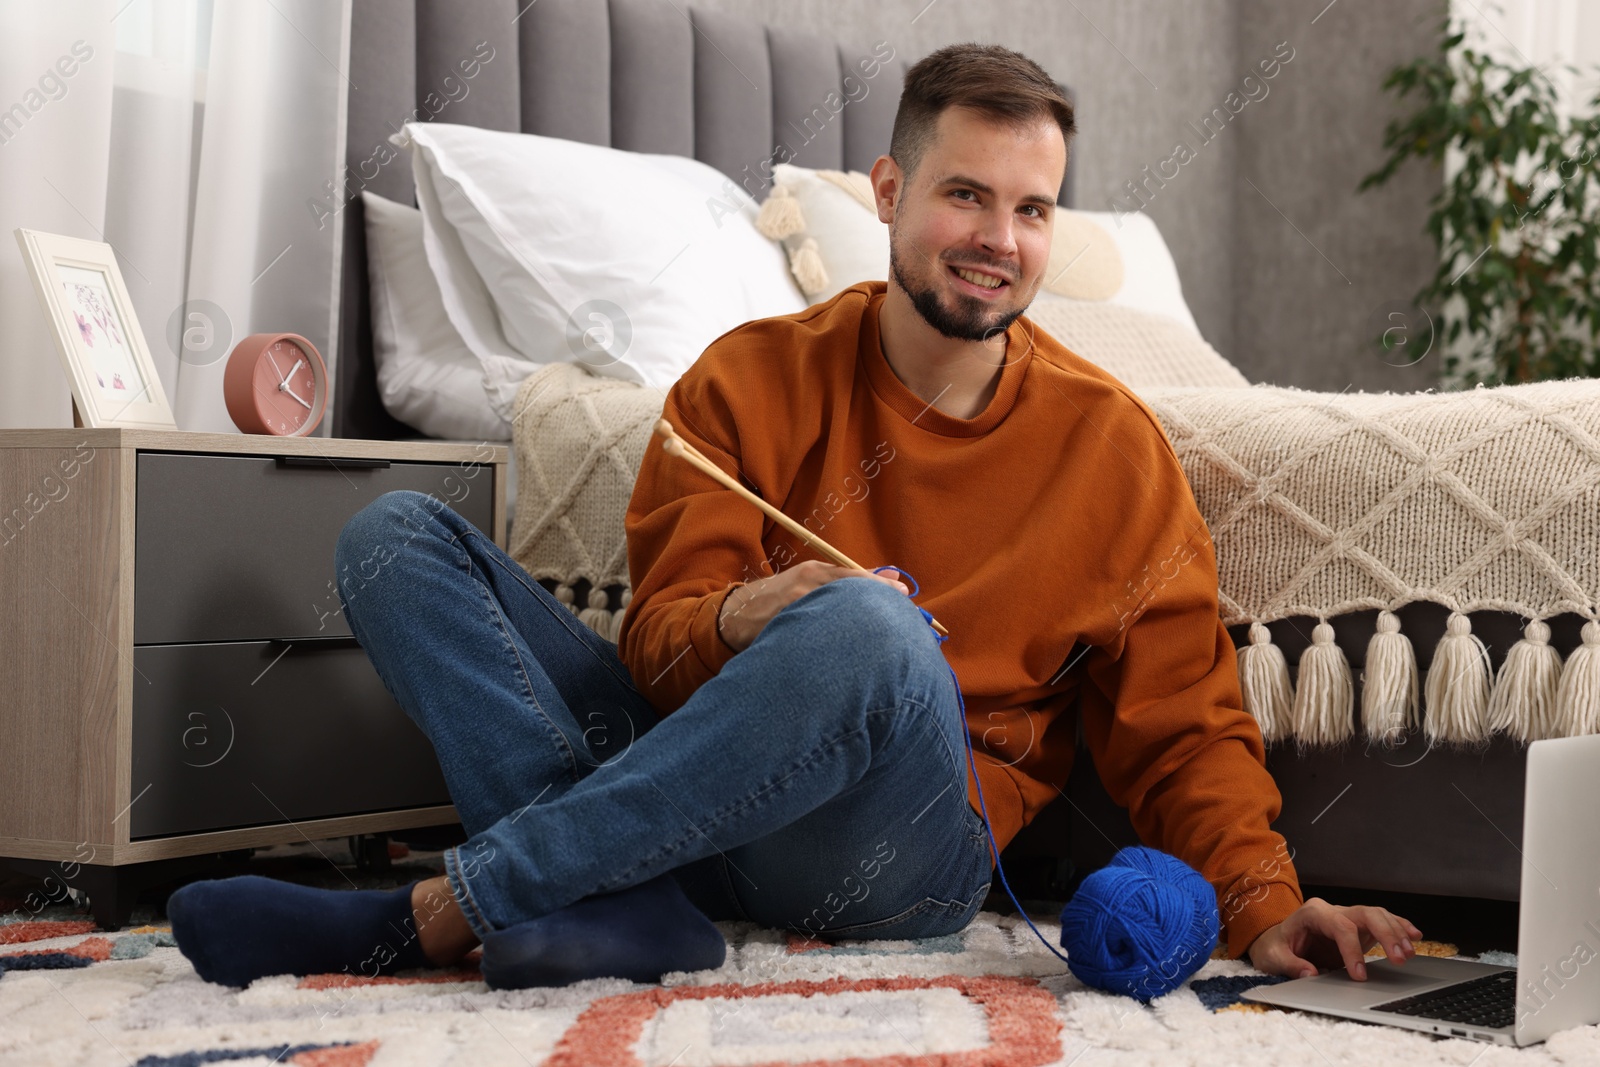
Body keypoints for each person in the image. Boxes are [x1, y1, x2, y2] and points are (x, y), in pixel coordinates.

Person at [168, 42, 1422, 991]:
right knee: (392, 535)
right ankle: (628, 905)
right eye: (964, 197)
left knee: (876, 638)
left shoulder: (1112, 446)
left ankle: (438, 911)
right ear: (886, 190)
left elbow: (1182, 724)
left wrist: (1265, 900)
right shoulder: (740, 381)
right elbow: (656, 644)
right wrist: (738, 613)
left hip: (898, 851)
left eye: (1032, 210)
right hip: (699, 777)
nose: (997, 240)